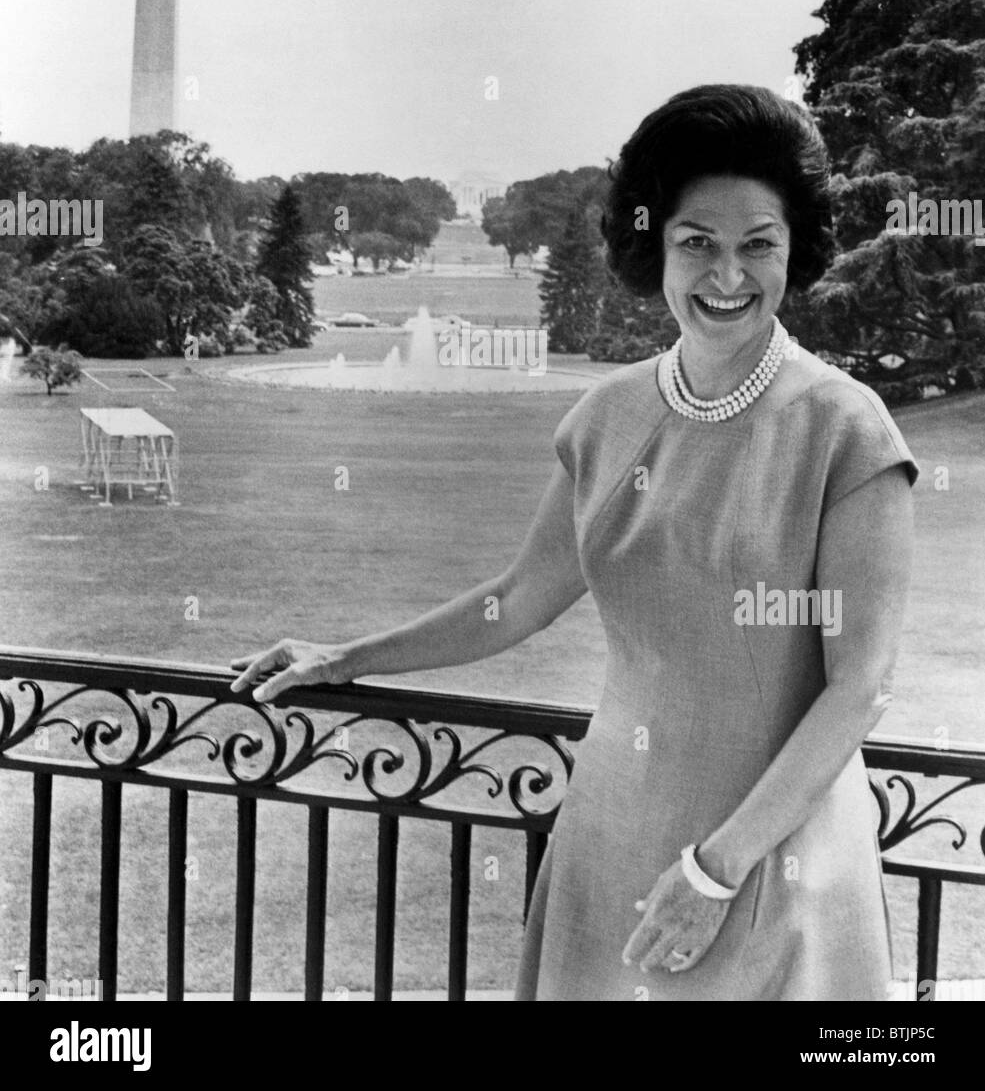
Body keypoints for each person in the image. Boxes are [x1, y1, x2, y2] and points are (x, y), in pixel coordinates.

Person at [231, 84, 919, 1001]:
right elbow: (516, 599)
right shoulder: (608, 414)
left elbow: (858, 687)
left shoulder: (844, 428)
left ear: (795, 249)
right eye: (695, 243)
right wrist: (342, 657)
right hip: (614, 839)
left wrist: (716, 870)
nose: (727, 275)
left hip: (772, 862)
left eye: (758, 244)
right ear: (655, 248)